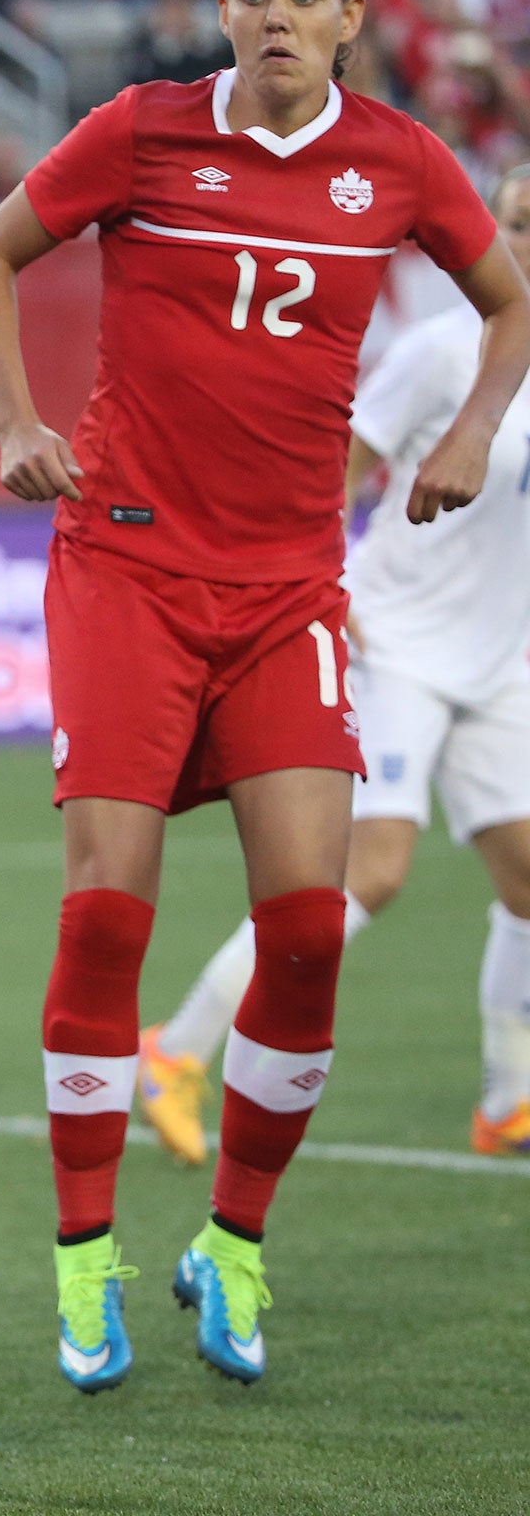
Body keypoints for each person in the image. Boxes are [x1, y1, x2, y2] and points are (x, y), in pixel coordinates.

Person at [0, 0, 530, 1393]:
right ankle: (85, 1263)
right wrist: (18, 418)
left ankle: (236, 1245)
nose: (277, 16)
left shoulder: (397, 160)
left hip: (287, 592)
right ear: (228, 12)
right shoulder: (138, 133)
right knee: (106, 910)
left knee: (313, 931)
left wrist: (469, 432)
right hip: (128, 569)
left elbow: (508, 305)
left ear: (347, 21)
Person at [140, 166, 530, 1166]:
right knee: (371, 872)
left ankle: (507, 1101)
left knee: (526, 882)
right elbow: (332, 481)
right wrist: (327, 594)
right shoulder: (441, 356)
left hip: (497, 663)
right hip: (393, 642)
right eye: (518, 227)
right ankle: (174, 1052)